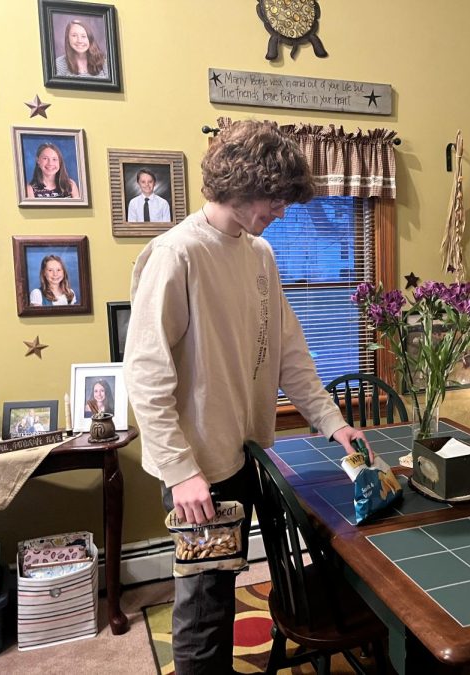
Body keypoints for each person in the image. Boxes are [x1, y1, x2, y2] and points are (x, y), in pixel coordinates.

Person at [124, 119, 371, 674]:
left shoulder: (260, 254)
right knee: (203, 608)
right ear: (239, 182)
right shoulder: (176, 254)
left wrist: (333, 424)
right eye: (276, 198)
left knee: (234, 588)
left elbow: (290, 355)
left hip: (250, 456)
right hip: (197, 472)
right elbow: (144, 374)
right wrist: (179, 471)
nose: (283, 211)